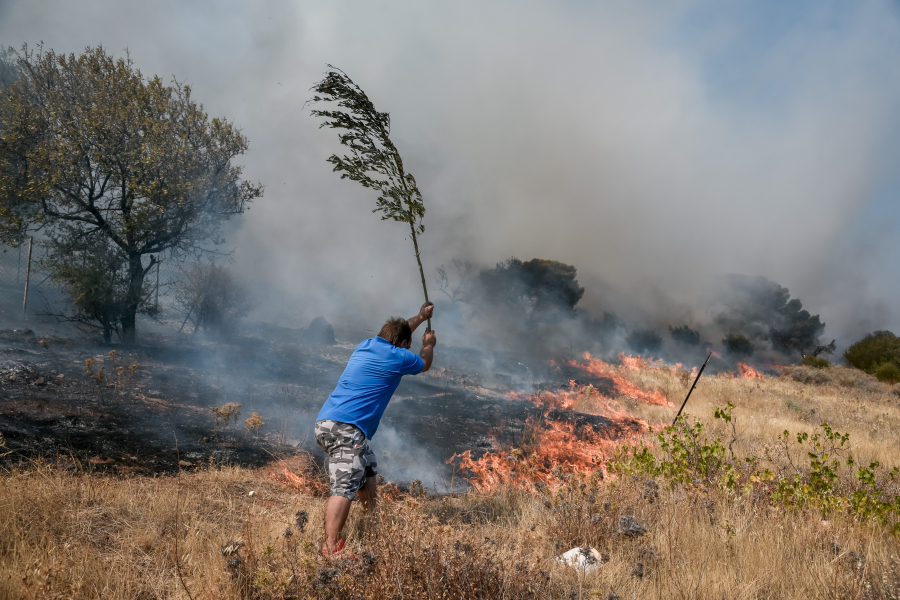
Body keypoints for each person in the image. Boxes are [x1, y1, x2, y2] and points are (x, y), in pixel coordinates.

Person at [315, 302, 436, 555]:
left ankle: (373, 526)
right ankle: (330, 548)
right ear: (403, 344)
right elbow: (424, 364)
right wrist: (428, 345)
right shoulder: (398, 356)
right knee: (345, 485)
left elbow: (398, 332)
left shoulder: (366, 345)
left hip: (326, 422)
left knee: (367, 465)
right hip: (346, 429)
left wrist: (420, 318)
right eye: (408, 343)